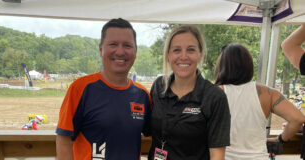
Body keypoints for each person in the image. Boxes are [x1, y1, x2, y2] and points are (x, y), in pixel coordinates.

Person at [56, 18, 152, 160]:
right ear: (101, 49)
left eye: (127, 45)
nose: (120, 52)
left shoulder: (142, 95)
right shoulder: (80, 88)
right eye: (113, 44)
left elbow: (155, 135)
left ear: (135, 51)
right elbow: (64, 139)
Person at [148, 25, 231, 160]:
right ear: (168, 55)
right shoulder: (159, 86)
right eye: (176, 50)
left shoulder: (215, 97)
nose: (183, 56)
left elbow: (217, 156)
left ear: (200, 55)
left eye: (191, 50)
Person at [214, 43, 305, 160]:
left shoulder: (212, 94)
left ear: (222, 66)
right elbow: (298, 119)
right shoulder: (268, 93)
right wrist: (280, 139)